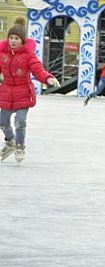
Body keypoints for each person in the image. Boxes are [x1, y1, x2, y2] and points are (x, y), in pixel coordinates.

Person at [0, 17, 60, 163]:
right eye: (11, 38)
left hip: (23, 93)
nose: (13, 41)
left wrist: (48, 78)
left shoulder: (28, 55)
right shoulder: (2, 54)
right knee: (2, 122)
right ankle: (10, 142)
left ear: (22, 41)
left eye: (16, 38)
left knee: (20, 121)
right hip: (6, 92)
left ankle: (20, 145)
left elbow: (37, 69)